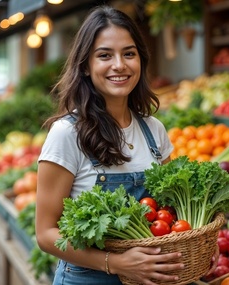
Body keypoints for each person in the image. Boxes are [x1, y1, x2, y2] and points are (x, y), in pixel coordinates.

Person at [35, 5, 194, 285]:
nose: (119, 65)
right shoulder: (66, 134)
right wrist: (115, 263)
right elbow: (46, 234)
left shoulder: (153, 130)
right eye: (105, 55)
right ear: (85, 66)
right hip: (87, 279)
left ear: (140, 61)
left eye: (129, 54)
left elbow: (171, 212)